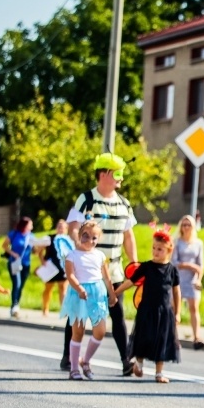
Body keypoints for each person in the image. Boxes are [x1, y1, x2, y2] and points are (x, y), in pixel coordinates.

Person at [61, 153, 138, 376]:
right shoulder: (87, 199)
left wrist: (133, 263)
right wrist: (80, 245)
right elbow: (74, 226)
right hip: (86, 269)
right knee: (78, 313)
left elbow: (129, 236)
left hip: (112, 269)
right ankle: (69, 356)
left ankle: (126, 360)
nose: (121, 180)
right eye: (117, 175)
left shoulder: (124, 203)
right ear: (103, 174)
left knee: (117, 313)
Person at [116, 230, 181, 383]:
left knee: (162, 340)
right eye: (154, 248)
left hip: (165, 311)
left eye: (160, 249)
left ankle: (159, 373)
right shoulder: (146, 267)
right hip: (147, 310)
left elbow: (176, 293)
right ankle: (138, 363)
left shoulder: (172, 270)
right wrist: (114, 292)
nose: (156, 251)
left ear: (168, 250)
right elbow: (130, 282)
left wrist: (177, 312)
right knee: (143, 337)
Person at [60, 220, 117, 380]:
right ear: (79, 235)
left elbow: (106, 277)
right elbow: (70, 275)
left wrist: (112, 294)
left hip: (97, 294)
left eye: (94, 238)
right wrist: (79, 288)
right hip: (78, 294)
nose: (90, 241)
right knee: (78, 332)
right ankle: (73, 369)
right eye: (86, 236)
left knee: (100, 331)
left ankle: (85, 361)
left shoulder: (99, 255)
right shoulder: (72, 255)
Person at [172, 214, 204, 350]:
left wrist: (199, 279)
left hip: (192, 280)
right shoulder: (177, 242)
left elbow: (200, 265)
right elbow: (174, 262)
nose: (186, 227)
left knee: (194, 308)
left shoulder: (198, 243)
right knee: (175, 310)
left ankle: (197, 337)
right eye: (184, 225)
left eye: (188, 225)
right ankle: (174, 338)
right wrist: (188, 266)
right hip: (179, 279)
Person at [39, 219, 75, 316]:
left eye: (63, 227)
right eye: (59, 227)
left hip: (63, 268)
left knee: (63, 288)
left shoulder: (69, 241)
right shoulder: (49, 239)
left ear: (66, 229)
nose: (61, 229)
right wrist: (42, 261)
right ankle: (45, 308)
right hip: (50, 267)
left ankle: (63, 310)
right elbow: (39, 250)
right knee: (48, 289)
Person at [2, 216, 34, 318]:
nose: (32, 227)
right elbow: (4, 246)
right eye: (30, 224)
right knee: (17, 283)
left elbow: (34, 250)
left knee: (21, 286)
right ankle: (14, 306)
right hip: (14, 263)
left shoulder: (31, 236)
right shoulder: (14, 234)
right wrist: (13, 253)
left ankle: (16, 304)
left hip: (26, 264)